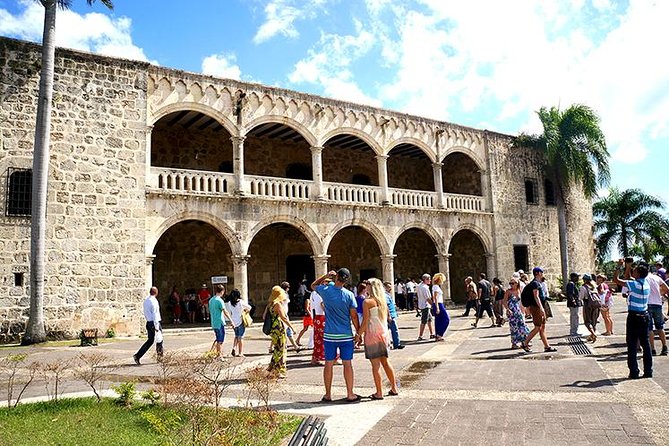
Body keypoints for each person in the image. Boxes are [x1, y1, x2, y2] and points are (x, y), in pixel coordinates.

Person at [312, 268, 361, 403]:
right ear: (347, 280)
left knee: (328, 363)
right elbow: (354, 316)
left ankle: (328, 394)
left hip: (329, 335)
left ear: (336, 277)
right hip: (345, 335)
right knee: (347, 364)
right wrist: (358, 332)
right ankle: (350, 393)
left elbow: (313, 285)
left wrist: (326, 276)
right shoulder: (349, 295)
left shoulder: (326, 291)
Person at [359, 278, 399, 400]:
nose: (366, 287)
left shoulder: (367, 302)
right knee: (386, 363)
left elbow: (365, 322)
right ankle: (394, 388)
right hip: (384, 335)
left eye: (367, 285)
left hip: (372, 335)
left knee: (375, 366)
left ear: (371, 287)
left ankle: (379, 392)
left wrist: (358, 334)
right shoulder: (383, 301)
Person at [613, 259, 652, 379]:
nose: (633, 272)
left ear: (638, 274)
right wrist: (629, 267)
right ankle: (648, 371)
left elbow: (616, 280)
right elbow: (630, 277)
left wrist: (620, 266)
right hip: (644, 316)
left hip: (634, 317)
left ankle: (634, 372)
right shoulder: (645, 283)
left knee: (632, 344)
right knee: (646, 344)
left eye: (635, 271)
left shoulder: (634, 284)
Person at [520, 267, 557, 353]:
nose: (543, 273)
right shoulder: (535, 284)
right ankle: (525, 343)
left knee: (542, 327)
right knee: (537, 327)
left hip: (539, 307)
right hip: (536, 308)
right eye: (541, 272)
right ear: (538, 273)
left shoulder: (538, 283)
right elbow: (536, 297)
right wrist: (541, 308)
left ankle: (547, 346)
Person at [267, 285, 297, 378]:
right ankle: (278, 370)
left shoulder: (271, 304)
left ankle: (272, 369)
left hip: (273, 328)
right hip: (279, 328)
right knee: (281, 349)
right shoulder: (277, 304)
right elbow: (283, 317)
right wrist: (292, 327)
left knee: (277, 348)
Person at [133, 287, 164, 365]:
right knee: (159, 340)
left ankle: (138, 355)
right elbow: (155, 314)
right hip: (154, 323)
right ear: (156, 292)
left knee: (150, 341)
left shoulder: (146, 301)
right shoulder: (154, 301)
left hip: (148, 322)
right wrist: (157, 327)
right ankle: (160, 357)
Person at [646, 269, 669, 356]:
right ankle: (664, 347)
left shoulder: (643, 278)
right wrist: (660, 294)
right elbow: (666, 289)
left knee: (649, 328)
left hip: (647, 304)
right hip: (657, 304)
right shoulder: (656, 278)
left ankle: (652, 349)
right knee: (660, 327)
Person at [503, 277, 529, 349]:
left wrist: (525, 311)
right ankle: (514, 343)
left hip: (519, 311)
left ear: (517, 284)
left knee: (522, 326)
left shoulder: (519, 290)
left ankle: (524, 341)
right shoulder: (508, 292)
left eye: (513, 283)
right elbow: (504, 302)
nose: (511, 285)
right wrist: (508, 309)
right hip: (512, 313)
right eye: (510, 283)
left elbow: (521, 302)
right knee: (514, 328)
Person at [224, 288, 251, 357]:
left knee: (236, 335)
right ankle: (240, 352)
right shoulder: (241, 302)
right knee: (240, 337)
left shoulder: (230, 303)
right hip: (240, 321)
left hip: (233, 321)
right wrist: (245, 311)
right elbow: (249, 307)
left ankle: (234, 348)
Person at [209, 284, 232, 358]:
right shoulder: (220, 300)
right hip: (219, 322)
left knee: (218, 338)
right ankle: (219, 355)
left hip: (214, 322)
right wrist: (231, 321)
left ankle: (214, 353)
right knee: (220, 340)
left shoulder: (211, 300)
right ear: (222, 291)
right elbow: (225, 311)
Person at [310, 279, 328, 366]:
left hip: (317, 317)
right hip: (322, 317)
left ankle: (315, 357)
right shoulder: (322, 294)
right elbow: (323, 305)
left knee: (318, 339)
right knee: (326, 338)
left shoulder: (314, 294)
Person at [579, 274, 600, 342]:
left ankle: (593, 334)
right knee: (593, 321)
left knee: (587, 321)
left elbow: (581, 297)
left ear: (584, 280)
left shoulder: (583, 287)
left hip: (587, 305)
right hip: (596, 305)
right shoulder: (594, 287)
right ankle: (591, 336)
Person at [280, 281, 301, 351]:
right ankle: (295, 346)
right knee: (286, 331)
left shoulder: (284, 294)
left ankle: (295, 346)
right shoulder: (282, 295)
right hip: (283, 314)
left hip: (285, 313)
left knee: (284, 331)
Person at [383, 281, 404, 349]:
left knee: (390, 330)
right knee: (394, 330)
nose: (390, 289)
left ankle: (395, 343)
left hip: (392, 314)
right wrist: (389, 316)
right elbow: (386, 306)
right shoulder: (385, 295)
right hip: (390, 316)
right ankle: (396, 344)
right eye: (388, 287)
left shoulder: (388, 295)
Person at [431, 273, 450, 341]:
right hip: (438, 304)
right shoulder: (436, 287)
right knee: (446, 319)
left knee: (438, 320)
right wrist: (437, 307)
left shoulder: (436, 286)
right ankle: (439, 333)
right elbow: (435, 297)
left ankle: (438, 335)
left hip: (438, 303)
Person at [416, 273, 435, 341]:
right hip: (425, 305)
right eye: (429, 279)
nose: (430, 280)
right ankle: (420, 336)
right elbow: (428, 298)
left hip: (422, 304)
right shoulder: (425, 288)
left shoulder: (419, 286)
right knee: (424, 321)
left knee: (429, 319)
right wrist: (433, 305)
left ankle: (432, 333)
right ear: (425, 280)